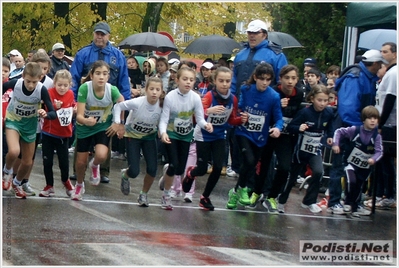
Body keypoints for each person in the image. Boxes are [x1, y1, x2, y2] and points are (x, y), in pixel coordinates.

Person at [327, 49, 387, 215]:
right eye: (379, 64)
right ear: (374, 64)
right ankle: (334, 202)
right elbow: (348, 108)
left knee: (357, 168)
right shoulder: (355, 77)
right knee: (340, 166)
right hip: (348, 128)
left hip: (358, 128)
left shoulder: (365, 77)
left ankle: (352, 202)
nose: (381, 66)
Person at [70, 21, 131, 183]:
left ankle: (103, 170)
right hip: (85, 101)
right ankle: (78, 170)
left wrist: (122, 113)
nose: (99, 37)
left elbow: (124, 83)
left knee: (106, 136)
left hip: (108, 104)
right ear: (93, 34)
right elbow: (74, 79)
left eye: (103, 34)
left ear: (108, 36)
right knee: (82, 135)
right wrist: (74, 101)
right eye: (97, 33)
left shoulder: (118, 56)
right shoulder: (83, 54)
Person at [181, 67, 243, 210]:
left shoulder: (232, 99)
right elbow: (196, 116)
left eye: (228, 81)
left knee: (217, 168)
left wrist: (242, 120)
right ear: (215, 81)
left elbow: (232, 120)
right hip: (203, 135)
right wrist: (208, 111)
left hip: (219, 136)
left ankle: (205, 197)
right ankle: (191, 173)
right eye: (221, 81)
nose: (224, 84)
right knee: (202, 169)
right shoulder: (209, 96)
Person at [226, 63, 283, 210]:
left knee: (249, 165)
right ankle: (243, 189)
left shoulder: (274, 96)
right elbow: (239, 107)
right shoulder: (246, 89)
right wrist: (241, 114)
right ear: (255, 77)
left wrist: (277, 128)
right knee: (249, 161)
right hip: (243, 132)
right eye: (262, 79)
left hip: (260, 137)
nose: (264, 83)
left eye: (268, 79)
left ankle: (235, 192)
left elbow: (279, 118)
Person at [249, 65, 304, 211]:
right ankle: (257, 192)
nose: (290, 81)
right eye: (287, 78)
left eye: (293, 78)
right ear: (280, 79)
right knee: (264, 165)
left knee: (284, 167)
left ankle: (272, 196)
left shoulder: (299, 94)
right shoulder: (273, 92)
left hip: (285, 135)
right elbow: (262, 108)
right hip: (269, 132)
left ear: (297, 79)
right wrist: (277, 106)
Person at [158, 67, 213, 210]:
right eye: (185, 79)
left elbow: (199, 119)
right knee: (175, 164)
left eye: (191, 79)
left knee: (179, 170)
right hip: (171, 134)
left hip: (186, 135)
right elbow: (164, 119)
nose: (188, 82)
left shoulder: (195, 97)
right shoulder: (170, 96)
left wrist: (206, 125)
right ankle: (166, 195)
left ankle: (166, 174)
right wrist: (163, 132)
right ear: (177, 80)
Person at [71, 60, 124, 201]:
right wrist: (86, 121)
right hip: (85, 127)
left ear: (108, 77)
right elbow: (79, 116)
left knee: (101, 155)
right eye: (98, 73)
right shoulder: (85, 89)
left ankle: (94, 165)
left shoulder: (112, 90)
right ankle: (79, 184)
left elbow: (122, 103)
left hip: (102, 126)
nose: (101, 77)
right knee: (81, 162)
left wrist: (118, 123)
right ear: (92, 75)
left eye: (105, 74)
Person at [2, 62, 56, 198]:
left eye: (34, 82)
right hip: (13, 120)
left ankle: (17, 183)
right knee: (14, 151)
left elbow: (53, 113)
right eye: (28, 81)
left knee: (27, 162)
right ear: (23, 76)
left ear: (39, 79)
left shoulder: (42, 90)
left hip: (30, 124)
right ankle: (6, 173)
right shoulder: (15, 84)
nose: (31, 85)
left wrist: (45, 113)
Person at [278, 84, 334, 213]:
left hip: (314, 150)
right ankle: (281, 200)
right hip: (300, 150)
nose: (322, 103)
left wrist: (330, 136)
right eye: (320, 100)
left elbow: (330, 127)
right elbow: (291, 126)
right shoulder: (305, 112)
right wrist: (299, 128)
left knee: (319, 172)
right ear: (312, 99)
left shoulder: (329, 113)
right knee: (292, 177)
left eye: (325, 101)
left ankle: (309, 201)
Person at [113, 77, 164, 207]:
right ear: (145, 90)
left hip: (149, 137)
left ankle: (144, 194)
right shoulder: (137, 102)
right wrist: (119, 124)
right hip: (132, 136)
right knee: (134, 171)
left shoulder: (163, 105)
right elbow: (118, 106)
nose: (154, 92)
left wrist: (162, 131)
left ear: (161, 92)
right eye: (151, 89)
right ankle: (125, 175)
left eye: (157, 90)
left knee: (152, 169)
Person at [332, 106, 382, 216]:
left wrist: (373, 159)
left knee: (359, 185)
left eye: (375, 118)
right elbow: (338, 132)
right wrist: (336, 144)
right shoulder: (355, 130)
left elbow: (379, 151)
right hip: (350, 163)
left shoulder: (376, 136)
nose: (373, 120)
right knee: (352, 181)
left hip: (364, 166)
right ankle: (347, 202)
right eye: (370, 118)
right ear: (363, 119)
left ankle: (354, 206)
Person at [39, 69, 76, 197]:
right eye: (59, 85)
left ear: (70, 85)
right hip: (49, 133)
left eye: (65, 85)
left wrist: (75, 108)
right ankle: (49, 185)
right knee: (47, 161)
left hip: (63, 134)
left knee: (64, 162)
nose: (62, 88)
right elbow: (45, 108)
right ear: (54, 83)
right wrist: (55, 107)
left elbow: (72, 106)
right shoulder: (49, 93)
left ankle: (66, 182)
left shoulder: (70, 94)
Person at [372, 42, 397, 209]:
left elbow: (390, 99)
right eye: (381, 51)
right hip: (386, 122)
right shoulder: (389, 73)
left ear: (394, 53)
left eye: (385, 51)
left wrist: (381, 124)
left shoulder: (394, 73)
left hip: (390, 123)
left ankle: (390, 195)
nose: (382, 54)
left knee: (386, 159)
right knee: (382, 160)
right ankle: (383, 194)